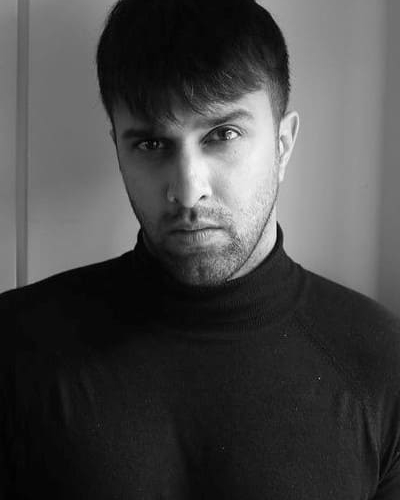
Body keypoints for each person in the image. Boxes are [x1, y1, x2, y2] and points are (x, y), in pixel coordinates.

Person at [1, 0, 399, 498]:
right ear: (118, 149)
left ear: (282, 145)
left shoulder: (382, 364)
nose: (188, 191)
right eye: (151, 144)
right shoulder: (16, 345)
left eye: (222, 134)